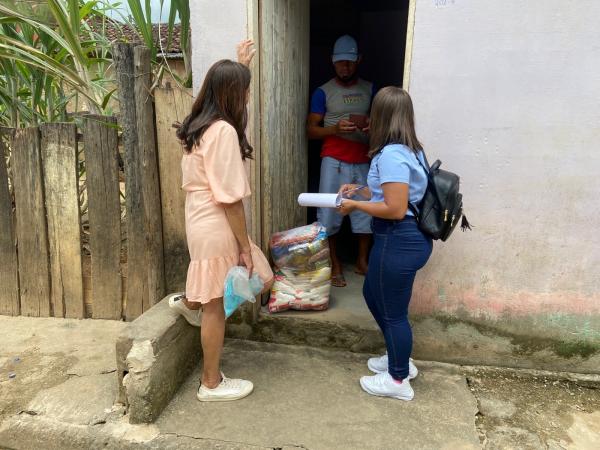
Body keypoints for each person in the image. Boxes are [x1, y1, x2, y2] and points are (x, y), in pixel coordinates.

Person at [168, 40, 273, 402]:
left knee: (218, 285)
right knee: (219, 302)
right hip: (216, 220)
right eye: (245, 91)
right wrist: (244, 246)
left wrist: (242, 67)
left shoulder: (199, 127)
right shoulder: (224, 132)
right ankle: (210, 383)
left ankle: (189, 302)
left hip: (199, 219)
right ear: (233, 95)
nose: (247, 97)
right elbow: (230, 199)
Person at [338, 87, 433, 401]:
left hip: (398, 238)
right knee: (372, 293)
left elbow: (395, 208)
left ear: (381, 116)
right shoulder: (411, 150)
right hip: (404, 238)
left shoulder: (392, 154)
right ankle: (398, 357)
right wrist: (359, 190)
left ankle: (398, 379)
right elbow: (389, 193)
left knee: (393, 313)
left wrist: (355, 206)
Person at [307, 35, 375, 287]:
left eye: (349, 62)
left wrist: (372, 126)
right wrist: (334, 129)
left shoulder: (371, 89)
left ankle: (362, 261)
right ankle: (334, 264)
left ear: (359, 60)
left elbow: (382, 122)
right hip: (333, 158)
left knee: (366, 210)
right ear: (332, 61)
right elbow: (310, 130)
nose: (344, 67)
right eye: (339, 62)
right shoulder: (323, 92)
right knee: (329, 212)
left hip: (363, 158)